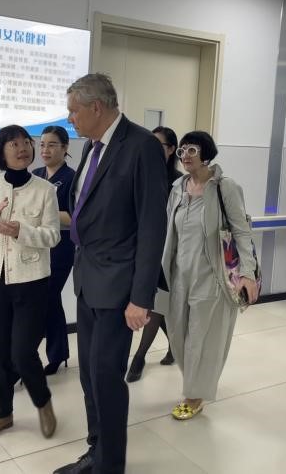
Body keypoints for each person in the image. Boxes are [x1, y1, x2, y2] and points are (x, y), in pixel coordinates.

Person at [53, 74, 167, 474]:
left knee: (106, 376)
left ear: (96, 107)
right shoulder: (92, 146)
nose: (70, 119)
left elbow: (152, 226)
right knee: (89, 374)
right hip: (88, 278)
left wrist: (141, 298)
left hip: (120, 286)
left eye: (73, 111)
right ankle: (96, 451)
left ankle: (110, 465)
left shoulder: (141, 146)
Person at [0, 125, 60, 442]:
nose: (22, 149)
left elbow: (53, 236)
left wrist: (22, 230)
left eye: (26, 143)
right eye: (13, 144)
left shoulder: (45, 190)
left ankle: (43, 403)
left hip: (32, 281)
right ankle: (2, 414)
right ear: (1, 151)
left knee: (22, 353)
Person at [159, 131, 258, 421]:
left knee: (202, 338)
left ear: (206, 154)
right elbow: (168, 232)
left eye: (192, 150)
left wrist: (248, 273)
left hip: (211, 276)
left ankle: (194, 395)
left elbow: (241, 231)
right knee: (178, 334)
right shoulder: (178, 187)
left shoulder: (225, 187)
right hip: (179, 275)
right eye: (182, 151)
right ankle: (193, 383)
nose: (185, 156)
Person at [125, 126, 181, 382]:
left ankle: (139, 356)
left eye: (159, 145)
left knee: (158, 303)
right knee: (160, 304)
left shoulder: (179, 182)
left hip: (171, 253)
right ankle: (175, 346)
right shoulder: (141, 174)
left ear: (171, 150)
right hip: (145, 250)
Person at [32, 125, 75, 375]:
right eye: (42, 145)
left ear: (65, 148)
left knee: (46, 295)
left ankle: (29, 355)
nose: (45, 150)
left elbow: (74, 217)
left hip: (61, 246)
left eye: (51, 145)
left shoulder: (72, 178)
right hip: (36, 245)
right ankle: (58, 353)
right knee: (49, 299)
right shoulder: (35, 175)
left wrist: (44, 213)